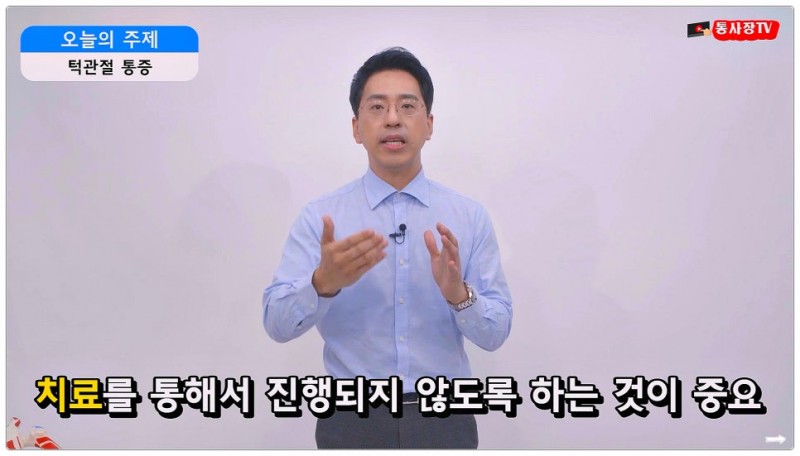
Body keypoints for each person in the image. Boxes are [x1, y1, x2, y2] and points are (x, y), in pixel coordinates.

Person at [262, 47, 513, 449]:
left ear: (429, 124)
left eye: (407, 106)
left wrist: (459, 295)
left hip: (445, 415)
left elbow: (496, 332)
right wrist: (322, 283)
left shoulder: (468, 216)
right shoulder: (321, 218)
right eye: (377, 107)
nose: (393, 119)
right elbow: (276, 323)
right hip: (350, 418)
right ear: (356, 128)